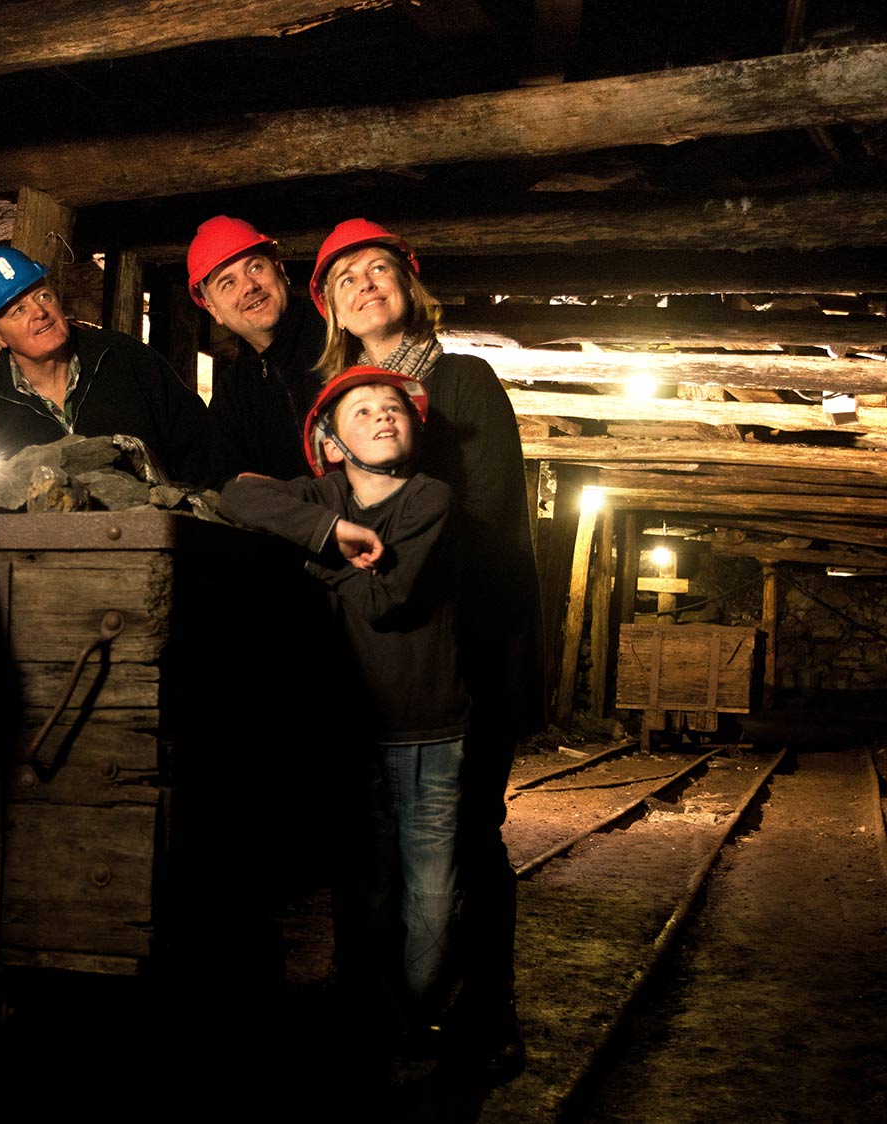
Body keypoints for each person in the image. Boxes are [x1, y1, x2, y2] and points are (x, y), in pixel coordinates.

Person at [310, 219, 545, 1075]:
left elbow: (488, 527)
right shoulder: (335, 397)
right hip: (367, 664)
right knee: (361, 842)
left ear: (410, 286)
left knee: (471, 837)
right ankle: (372, 1003)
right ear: (332, 309)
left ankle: (487, 1014)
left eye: (379, 269)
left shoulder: (463, 381)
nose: (365, 284)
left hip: (460, 658)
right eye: (345, 280)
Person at [221, 367, 465, 1043]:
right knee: (365, 885)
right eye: (363, 411)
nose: (385, 416)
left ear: (415, 430)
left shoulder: (430, 499)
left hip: (428, 727)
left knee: (432, 891)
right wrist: (331, 532)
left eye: (395, 408)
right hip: (352, 727)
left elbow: (387, 602)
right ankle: (365, 1014)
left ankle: (419, 1022)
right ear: (332, 443)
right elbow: (238, 495)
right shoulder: (323, 495)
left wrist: (312, 555)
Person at [0, 244, 220, 485]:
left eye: (43, 296)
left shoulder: (124, 357)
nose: (40, 313)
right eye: (18, 310)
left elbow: (201, 444)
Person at [186, 215, 326, 479]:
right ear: (213, 309)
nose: (249, 287)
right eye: (228, 283)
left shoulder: (338, 333)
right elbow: (224, 486)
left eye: (255, 268)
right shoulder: (234, 391)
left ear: (280, 270)